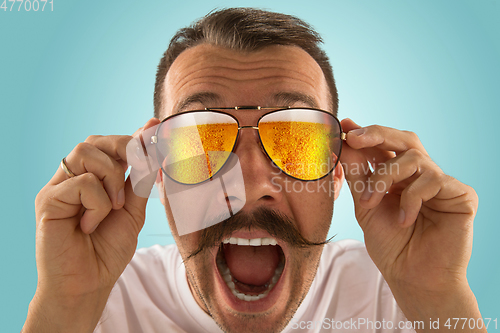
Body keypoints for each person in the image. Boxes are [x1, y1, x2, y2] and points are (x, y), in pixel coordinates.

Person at [22, 8, 484, 333]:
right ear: (155, 166)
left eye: (297, 139)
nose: (249, 183)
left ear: (339, 171)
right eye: (201, 142)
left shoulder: (398, 297)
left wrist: (438, 293)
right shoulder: (99, 300)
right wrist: (66, 304)